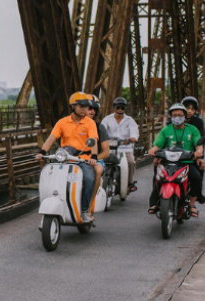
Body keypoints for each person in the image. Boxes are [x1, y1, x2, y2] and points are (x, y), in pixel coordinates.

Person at [35, 92, 99, 222]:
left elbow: (93, 140)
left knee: (89, 179)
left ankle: (84, 210)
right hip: (64, 160)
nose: (85, 109)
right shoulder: (62, 122)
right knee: (50, 178)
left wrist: (94, 156)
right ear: (72, 106)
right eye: (81, 106)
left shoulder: (90, 123)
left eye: (86, 106)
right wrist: (42, 152)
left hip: (82, 160)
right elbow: (52, 138)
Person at [147, 103, 204, 218]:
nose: (177, 117)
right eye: (174, 115)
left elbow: (199, 145)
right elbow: (157, 145)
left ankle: (192, 204)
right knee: (157, 177)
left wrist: (198, 151)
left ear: (184, 116)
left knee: (197, 177)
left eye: (180, 115)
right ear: (171, 117)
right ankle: (154, 202)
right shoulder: (166, 130)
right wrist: (153, 150)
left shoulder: (192, 130)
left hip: (186, 162)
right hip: (168, 162)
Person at [100, 96, 139, 192]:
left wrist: (133, 137)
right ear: (114, 108)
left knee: (131, 162)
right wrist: (101, 137)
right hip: (110, 148)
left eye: (122, 107)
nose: (120, 109)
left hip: (126, 148)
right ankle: (99, 181)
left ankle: (130, 183)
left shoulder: (130, 120)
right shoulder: (107, 119)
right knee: (99, 161)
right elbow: (102, 129)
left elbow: (134, 131)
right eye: (118, 107)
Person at [182, 95, 205, 204]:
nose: (189, 111)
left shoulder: (197, 122)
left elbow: (200, 139)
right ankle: (156, 199)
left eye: (192, 109)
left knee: (199, 170)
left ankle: (197, 194)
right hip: (175, 154)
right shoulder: (174, 120)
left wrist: (200, 155)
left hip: (192, 154)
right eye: (187, 108)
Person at [86, 94, 110, 203]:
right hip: (76, 159)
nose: (92, 111)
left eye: (94, 109)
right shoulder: (73, 125)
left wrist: (93, 159)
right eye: (89, 108)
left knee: (98, 171)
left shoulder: (100, 127)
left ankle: (90, 204)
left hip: (94, 160)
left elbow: (106, 152)